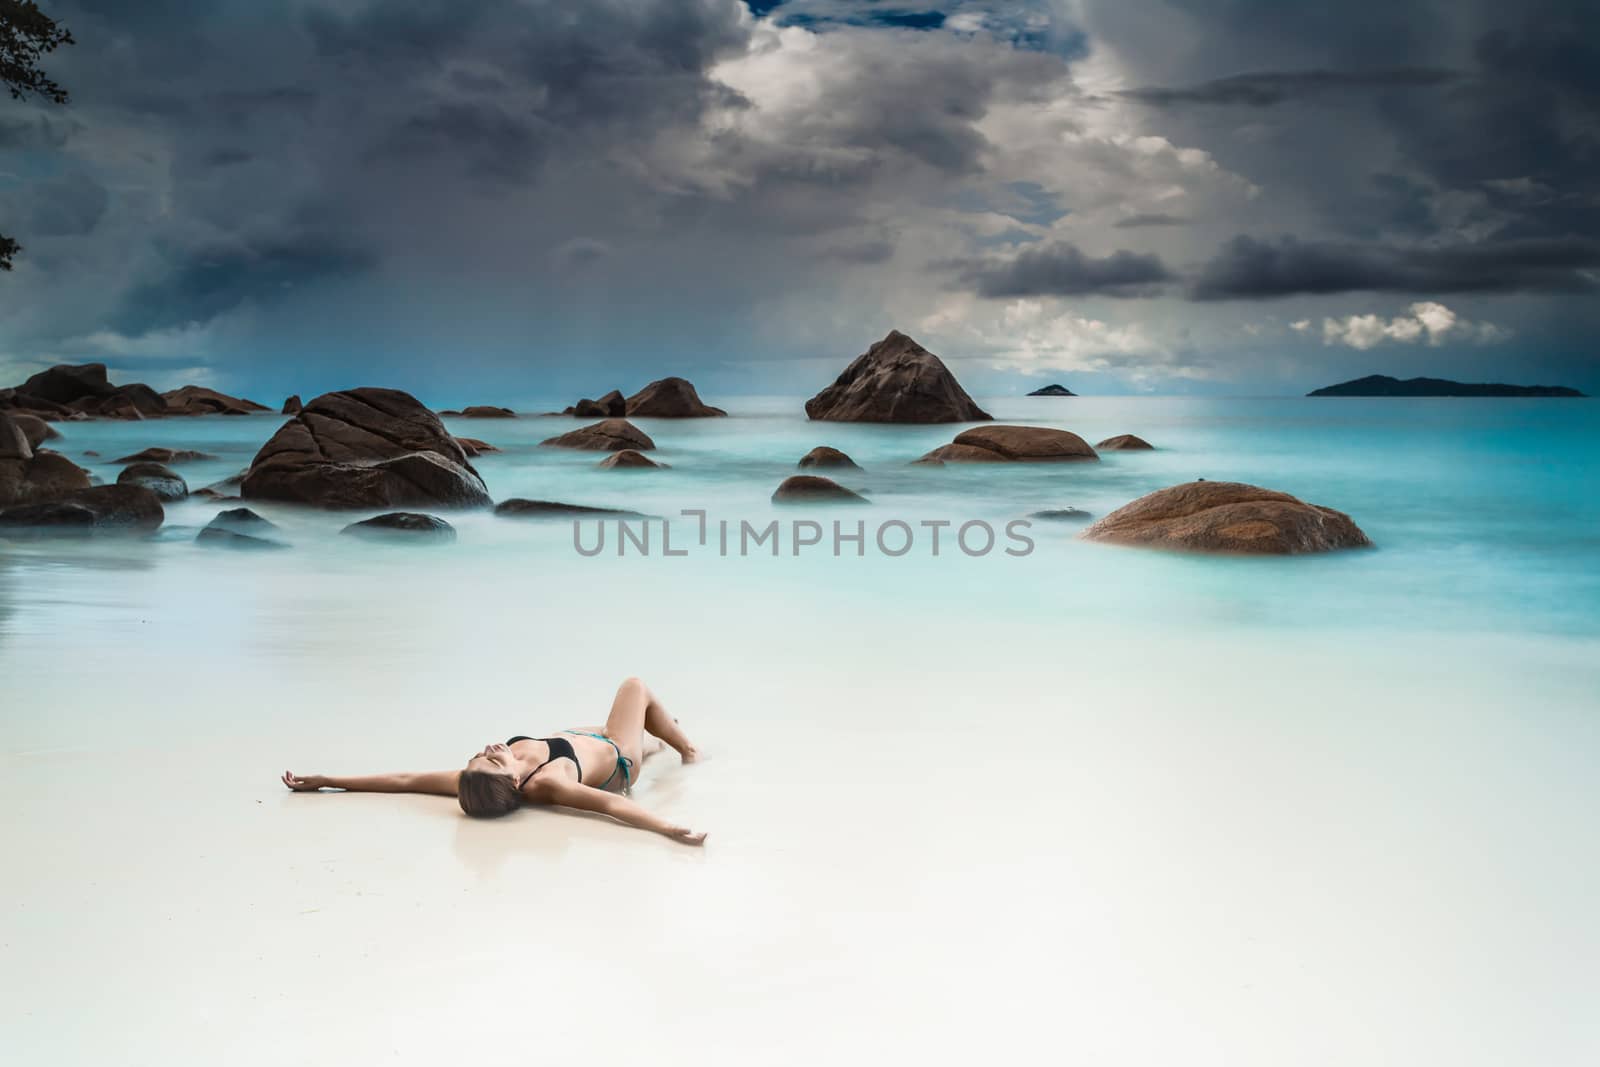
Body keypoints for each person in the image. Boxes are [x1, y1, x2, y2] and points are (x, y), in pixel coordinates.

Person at [281, 677, 705, 845]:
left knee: (638, 732)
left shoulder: (479, 780)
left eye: (479, 757)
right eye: (495, 761)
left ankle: (658, 739)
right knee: (635, 689)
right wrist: (669, 828)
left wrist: (328, 780)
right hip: (616, 756)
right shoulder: (549, 784)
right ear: (517, 784)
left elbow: (404, 778)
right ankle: (687, 749)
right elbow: (613, 807)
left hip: (574, 738)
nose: (488, 751)